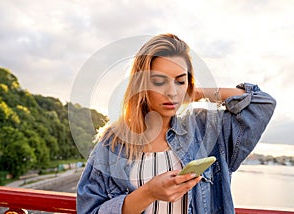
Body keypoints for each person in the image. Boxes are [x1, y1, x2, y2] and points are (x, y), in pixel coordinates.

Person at [76, 33, 276, 214]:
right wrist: (148, 192)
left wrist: (197, 93)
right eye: (159, 81)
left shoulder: (206, 129)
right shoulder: (113, 142)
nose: (172, 92)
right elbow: (89, 210)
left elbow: (262, 104)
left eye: (180, 81)